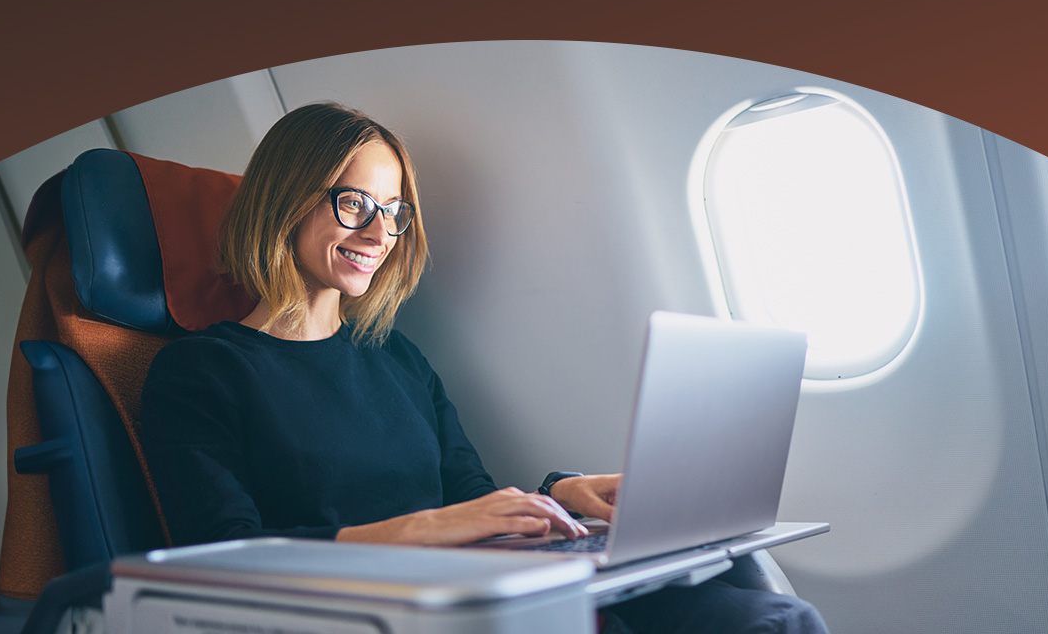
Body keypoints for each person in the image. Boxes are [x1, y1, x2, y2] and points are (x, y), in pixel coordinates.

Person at [141, 102, 829, 633]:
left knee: (772, 617)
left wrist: (561, 496)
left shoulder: (396, 358)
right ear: (285, 199)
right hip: (374, 616)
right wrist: (423, 530)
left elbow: (469, 495)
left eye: (393, 212)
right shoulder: (198, 374)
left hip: (486, 595)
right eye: (354, 203)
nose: (379, 234)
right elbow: (227, 559)